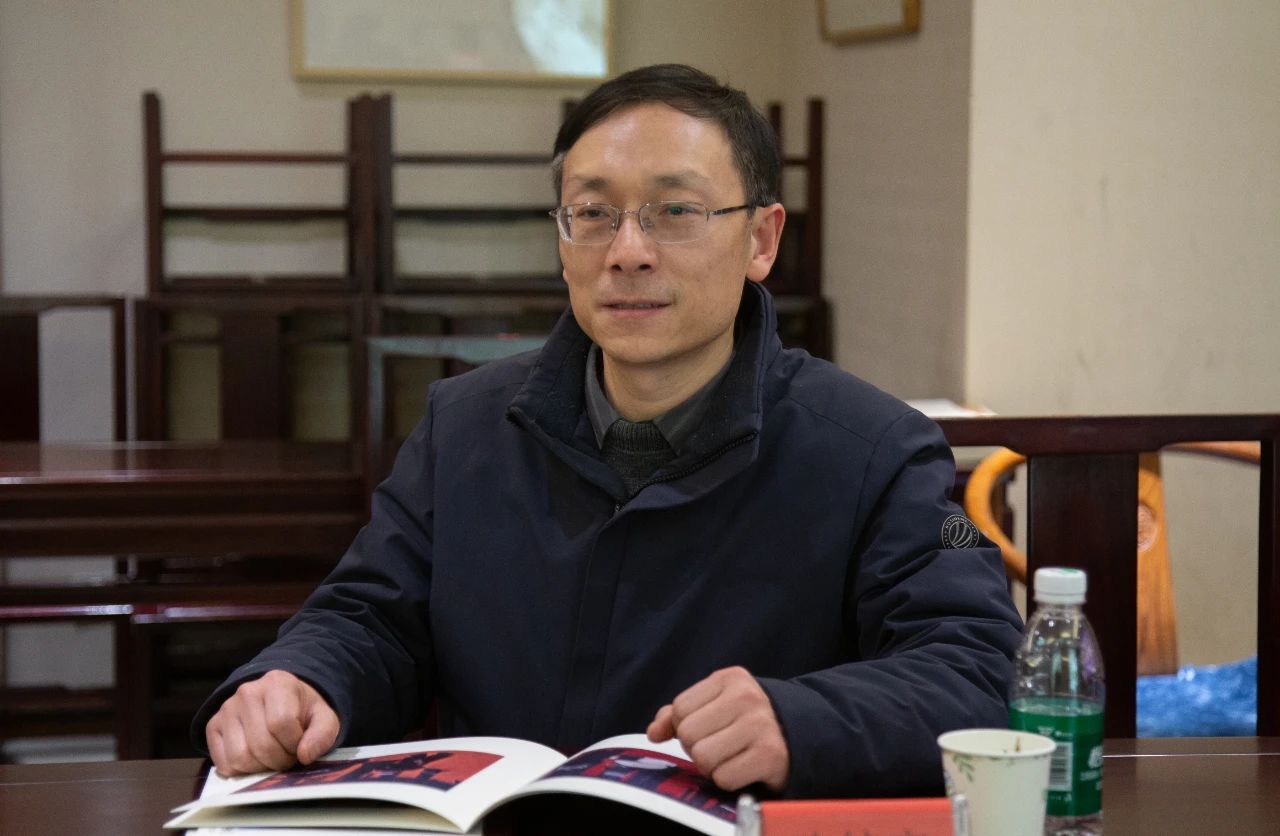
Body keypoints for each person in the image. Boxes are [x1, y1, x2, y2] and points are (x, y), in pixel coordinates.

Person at [196, 63, 1022, 799]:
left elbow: (980, 667)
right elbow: (368, 617)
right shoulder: (465, 426)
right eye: (592, 213)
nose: (627, 252)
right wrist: (301, 681)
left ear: (762, 239)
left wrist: (802, 720)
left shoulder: (877, 451)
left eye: (676, 211)